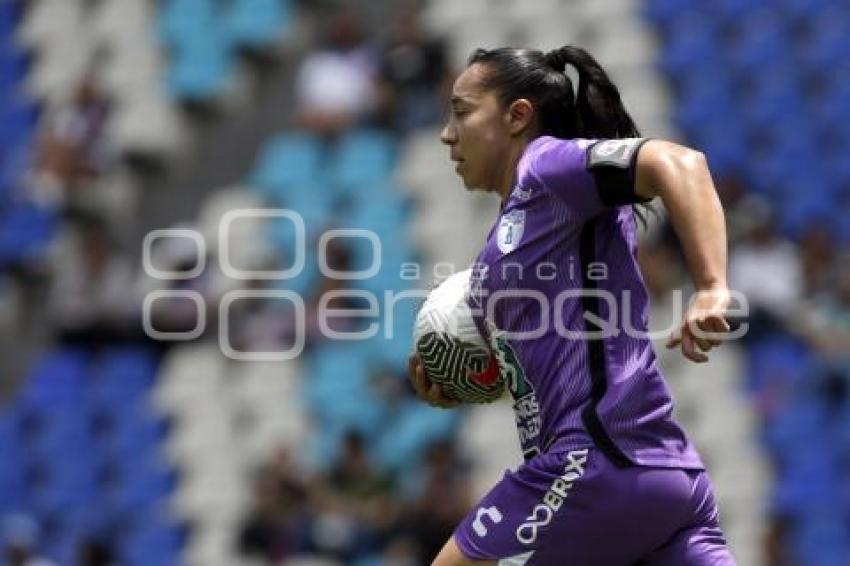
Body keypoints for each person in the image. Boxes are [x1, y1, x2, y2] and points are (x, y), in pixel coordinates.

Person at [408, 46, 736, 565]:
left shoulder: (546, 167)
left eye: (462, 111)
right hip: (665, 475)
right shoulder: (520, 228)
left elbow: (680, 162)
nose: (448, 133)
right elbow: (556, 354)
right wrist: (463, 379)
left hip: (591, 467)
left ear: (517, 116)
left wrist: (713, 285)